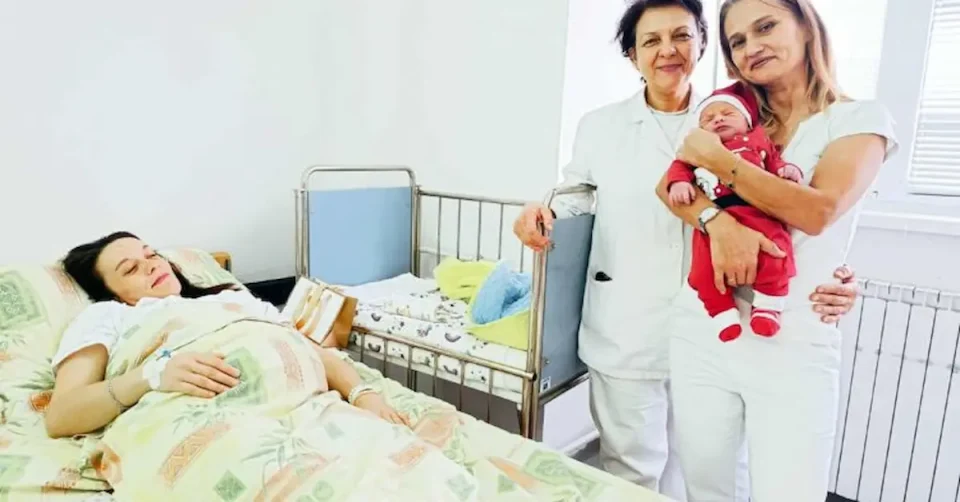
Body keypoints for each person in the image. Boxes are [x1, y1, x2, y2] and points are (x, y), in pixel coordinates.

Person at [512, 0, 859, 497]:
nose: (668, 50)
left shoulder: (738, 117)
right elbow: (575, 198)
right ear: (632, 56)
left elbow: (793, 204)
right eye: (651, 41)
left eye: (681, 35)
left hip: (717, 325)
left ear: (701, 43)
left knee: (710, 471)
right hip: (628, 323)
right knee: (631, 467)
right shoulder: (601, 125)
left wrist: (836, 273)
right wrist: (540, 212)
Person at [658, 0, 899, 500]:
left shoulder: (857, 119)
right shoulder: (732, 114)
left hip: (793, 337)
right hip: (706, 328)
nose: (752, 47)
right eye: (737, 41)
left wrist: (718, 161)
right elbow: (670, 187)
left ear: (806, 27)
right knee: (706, 487)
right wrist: (719, 222)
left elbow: (818, 211)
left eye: (765, 27)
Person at [44, 231, 409, 438]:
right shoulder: (109, 316)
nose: (151, 265)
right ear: (112, 293)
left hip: (309, 407)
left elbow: (309, 349)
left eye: (151, 254)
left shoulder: (234, 300)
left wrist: (363, 395)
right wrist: (152, 376)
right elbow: (62, 416)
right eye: (130, 269)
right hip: (217, 423)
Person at [666, 87, 802, 341]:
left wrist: (786, 170)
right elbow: (678, 168)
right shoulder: (696, 152)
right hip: (716, 212)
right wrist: (679, 183)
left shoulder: (759, 142)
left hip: (757, 211)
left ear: (747, 123)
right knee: (702, 270)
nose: (718, 119)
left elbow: (774, 162)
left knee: (777, 251)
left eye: (728, 113)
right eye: (708, 119)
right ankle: (721, 312)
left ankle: (768, 306)